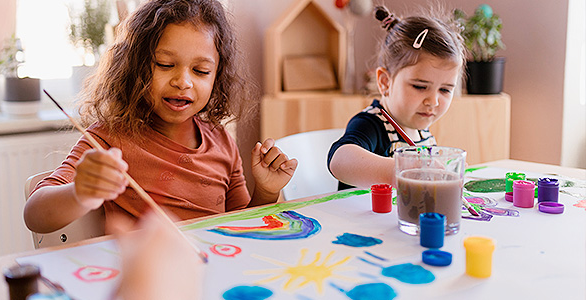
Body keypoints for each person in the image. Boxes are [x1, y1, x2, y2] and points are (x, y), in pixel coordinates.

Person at [24, 0, 298, 234]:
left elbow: (240, 225)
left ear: (217, 76)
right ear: (136, 66)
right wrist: (80, 192)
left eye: (201, 71)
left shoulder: (222, 142)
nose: (183, 81)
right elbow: (35, 214)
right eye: (166, 65)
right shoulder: (109, 138)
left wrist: (266, 191)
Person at [328, 5, 465, 190]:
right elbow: (339, 160)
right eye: (420, 86)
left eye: (445, 90)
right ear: (385, 82)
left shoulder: (422, 132)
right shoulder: (372, 123)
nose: (433, 101)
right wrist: (403, 169)